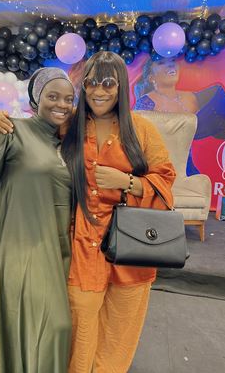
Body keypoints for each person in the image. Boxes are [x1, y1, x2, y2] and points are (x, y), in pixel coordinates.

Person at [0, 68, 76, 372]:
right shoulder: (11, 129)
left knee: (38, 328)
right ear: (36, 99)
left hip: (61, 249)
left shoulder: (69, 142)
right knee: (55, 327)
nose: (61, 104)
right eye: (53, 96)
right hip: (21, 246)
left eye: (69, 99)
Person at [61, 51, 176, 373]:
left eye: (108, 83)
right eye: (91, 83)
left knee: (120, 325)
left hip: (131, 243)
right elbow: (33, 143)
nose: (99, 91)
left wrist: (127, 182)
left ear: (121, 86)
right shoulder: (68, 126)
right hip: (82, 241)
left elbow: (165, 180)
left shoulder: (141, 129)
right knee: (80, 317)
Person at [133, 57, 225, 175]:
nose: (171, 65)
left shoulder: (195, 97)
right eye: (161, 63)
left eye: (172, 61)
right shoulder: (145, 103)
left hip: (187, 169)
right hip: (157, 169)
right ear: (151, 77)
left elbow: (219, 130)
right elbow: (137, 140)